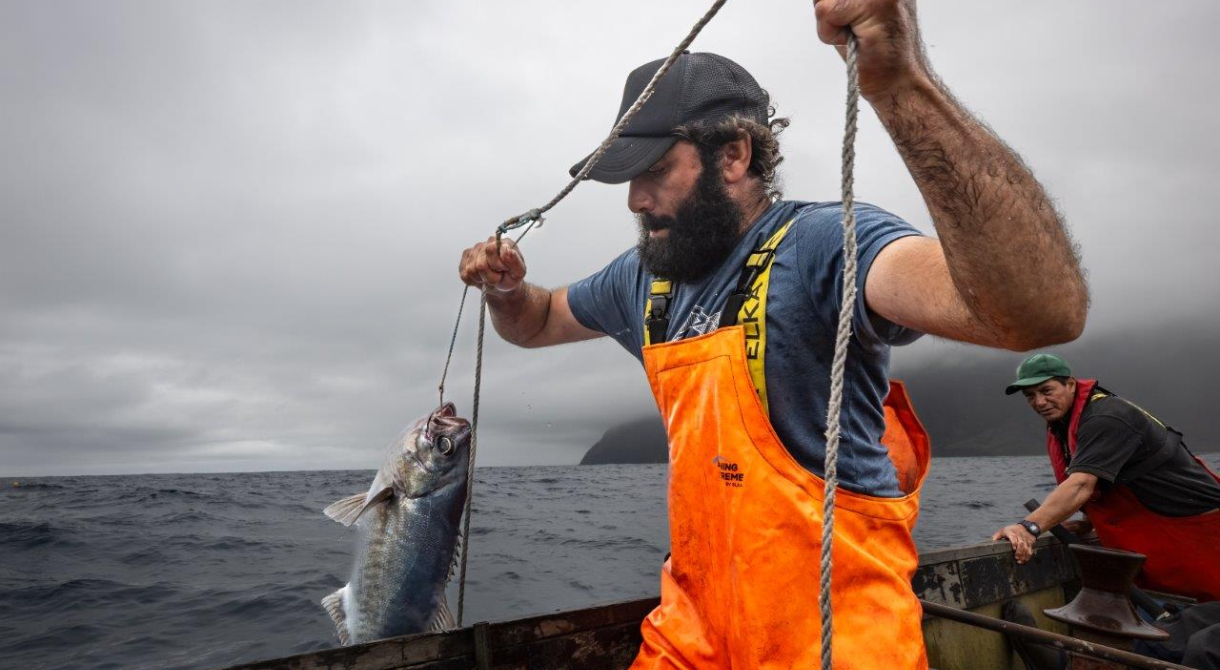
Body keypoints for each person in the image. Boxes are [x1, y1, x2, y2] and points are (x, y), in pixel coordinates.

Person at [459, 1, 1088, 667]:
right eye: (629, 178)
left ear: (734, 155)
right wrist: (505, 289)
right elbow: (536, 321)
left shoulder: (825, 244)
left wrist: (902, 85)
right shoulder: (645, 277)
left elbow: (1036, 313)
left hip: (834, 625)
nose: (635, 199)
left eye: (654, 171)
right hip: (693, 623)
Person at [993, 353, 1220, 602]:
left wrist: (1028, 528)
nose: (1039, 402)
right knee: (1170, 612)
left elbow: (1081, 484)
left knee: (1204, 608)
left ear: (1070, 384)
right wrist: (1087, 522)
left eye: (1046, 391)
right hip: (1154, 537)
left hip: (1198, 532)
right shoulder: (1063, 424)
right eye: (1030, 396)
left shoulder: (1105, 417)